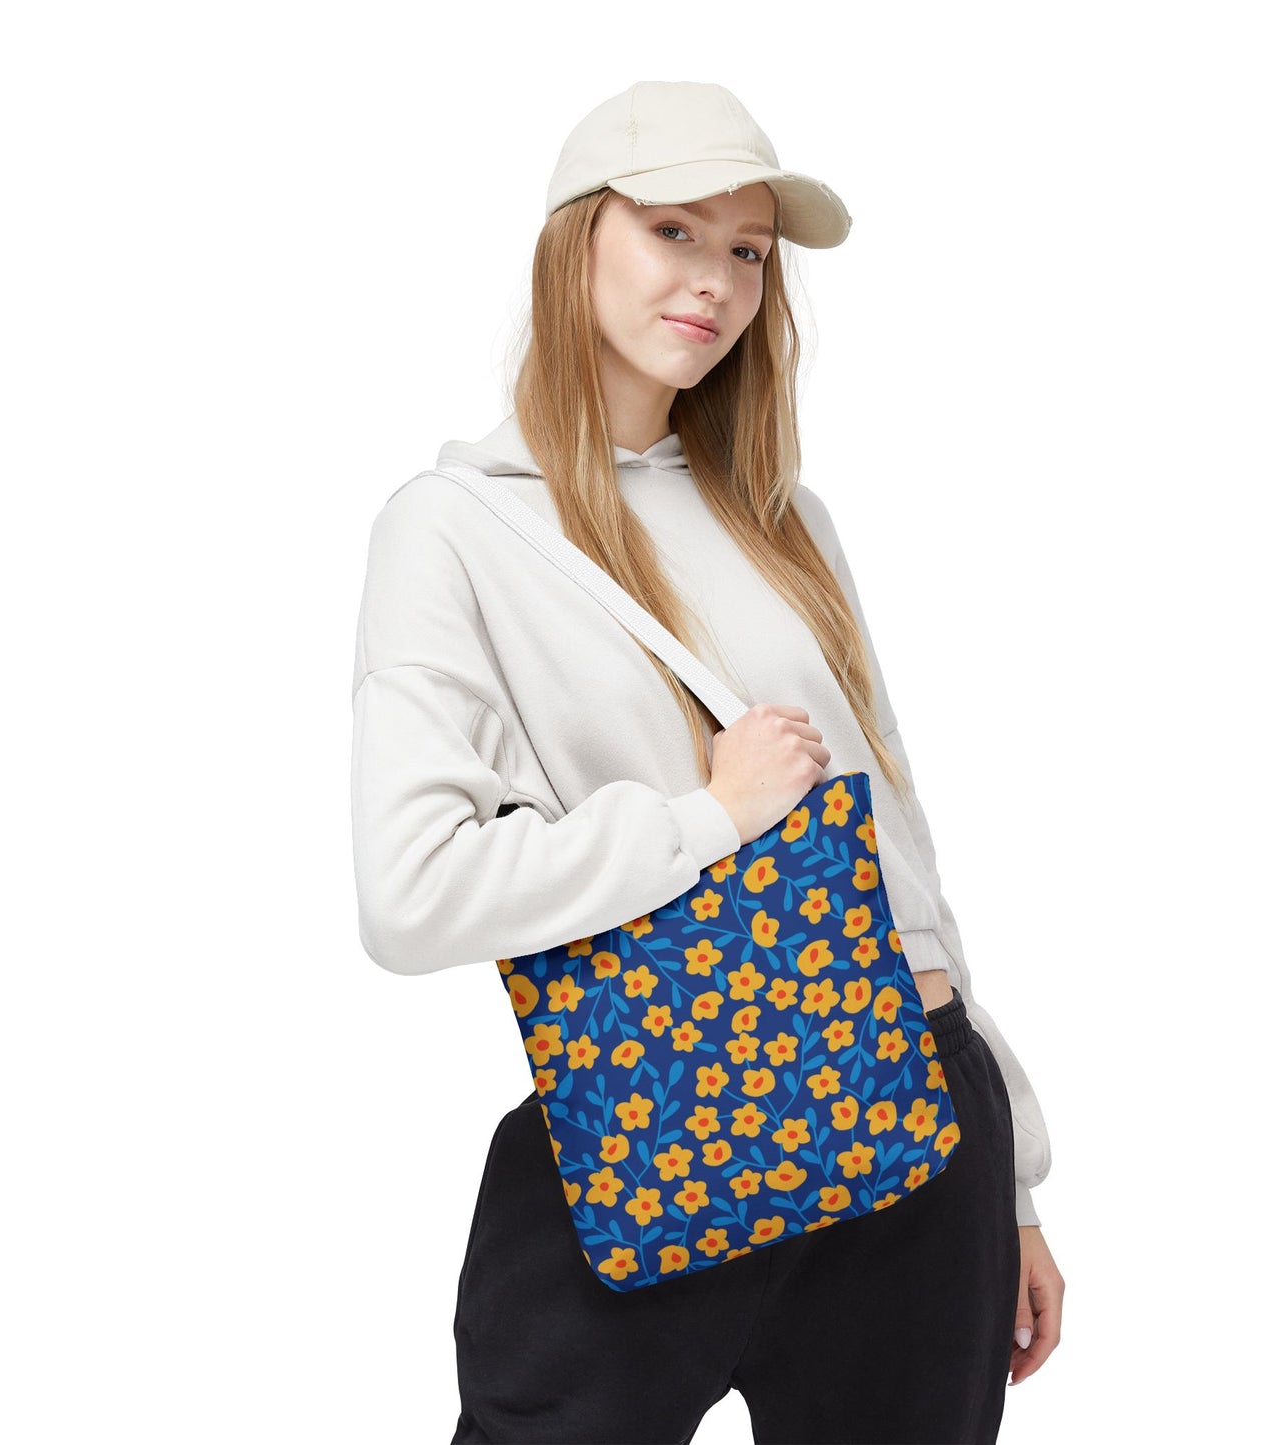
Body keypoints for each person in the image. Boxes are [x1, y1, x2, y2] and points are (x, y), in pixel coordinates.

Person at [350, 80, 1064, 1445]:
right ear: (578, 240)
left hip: (913, 1121)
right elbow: (410, 893)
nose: (717, 282)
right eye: (674, 229)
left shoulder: (783, 519)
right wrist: (709, 815)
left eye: (745, 251)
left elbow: (896, 859)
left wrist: (1013, 1176)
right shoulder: (456, 531)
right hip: (651, 1122)